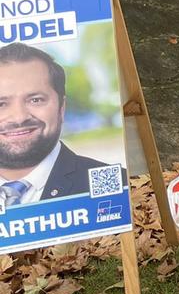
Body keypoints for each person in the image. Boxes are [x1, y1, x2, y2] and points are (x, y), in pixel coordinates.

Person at [0, 42, 113, 206]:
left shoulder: (111, 185)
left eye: (35, 100)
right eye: (1, 104)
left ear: (62, 107)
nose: (19, 117)